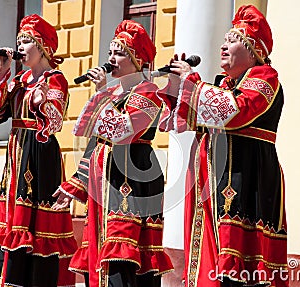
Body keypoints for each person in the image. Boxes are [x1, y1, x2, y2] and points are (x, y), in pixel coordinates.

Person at [160, 5, 288, 287]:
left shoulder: (265, 77)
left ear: (254, 49)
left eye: (232, 40)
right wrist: (176, 87)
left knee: (240, 268)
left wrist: (192, 83)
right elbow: (190, 119)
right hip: (218, 184)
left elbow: (231, 112)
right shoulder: (227, 84)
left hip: (245, 180)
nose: (223, 46)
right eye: (224, 40)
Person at [52, 20, 173, 287]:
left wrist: (102, 92)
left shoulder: (149, 93)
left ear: (137, 59)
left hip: (133, 178)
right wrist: (75, 185)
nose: (111, 59)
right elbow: (97, 141)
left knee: (123, 255)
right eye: (110, 53)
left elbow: (121, 131)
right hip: (105, 185)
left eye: (119, 53)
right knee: (101, 252)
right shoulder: (114, 94)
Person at [0, 14, 77, 287]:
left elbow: (55, 122)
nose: (20, 47)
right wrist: (2, 71)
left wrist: (40, 101)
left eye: (27, 42)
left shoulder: (55, 79)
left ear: (43, 47)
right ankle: (9, 278)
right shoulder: (19, 80)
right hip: (16, 152)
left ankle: (34, 279)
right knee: (13, 213)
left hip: (40, 153)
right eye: (19, 42)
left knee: (37, 219)